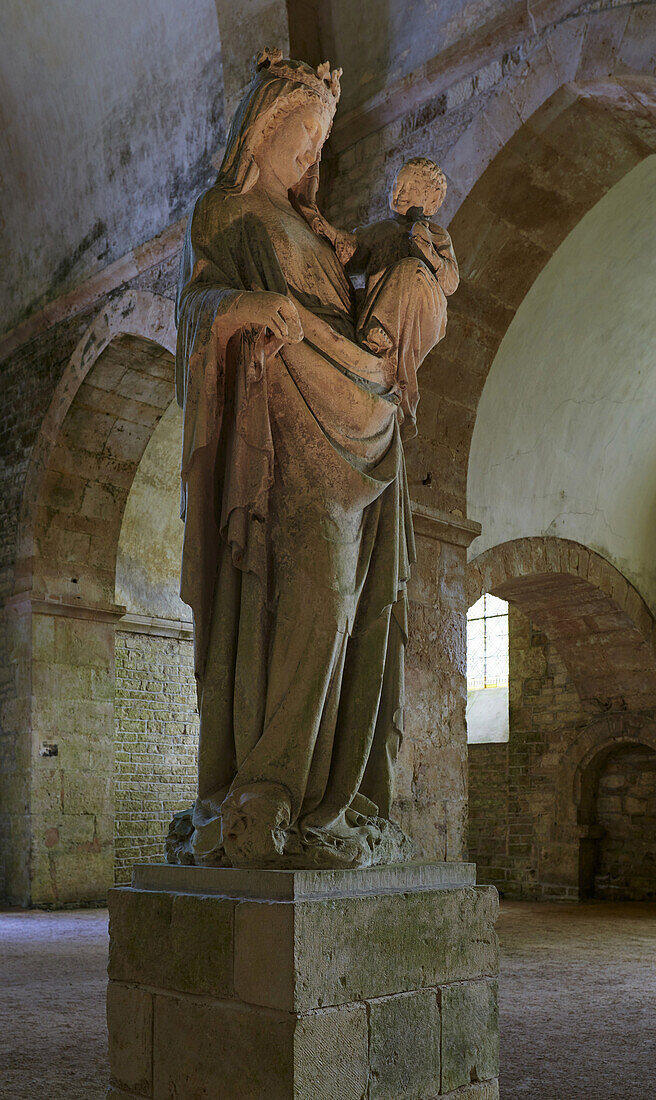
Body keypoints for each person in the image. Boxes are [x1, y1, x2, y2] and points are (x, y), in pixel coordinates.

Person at [168, 50, 450, 869]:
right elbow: (194, 312)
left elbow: (358, 314)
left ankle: (341, 796)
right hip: (282, 423)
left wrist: (410, 273)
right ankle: (268, 787)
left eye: (321, 141)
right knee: (316, 594)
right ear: (262, 130)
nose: (311, 155)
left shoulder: (320, 234)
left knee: (362, 610)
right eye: (302, 134)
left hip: (357, 411)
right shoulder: (223, 213)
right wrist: (241, 306)